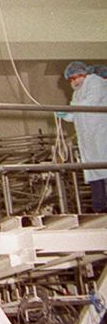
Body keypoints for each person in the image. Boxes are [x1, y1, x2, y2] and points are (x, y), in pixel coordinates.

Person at [61, 62, 107, 213]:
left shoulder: (95, 81)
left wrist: (70, 109)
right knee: (94, 172)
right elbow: (74, 115)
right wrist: (63, 114)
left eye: (76, 77)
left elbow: (90, 103)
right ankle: (100, 209)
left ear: (84, 74)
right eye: (71, 79)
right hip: (88, 140)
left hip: (101, 134)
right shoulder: (77, 93)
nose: (74, 81)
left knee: (103, 168)